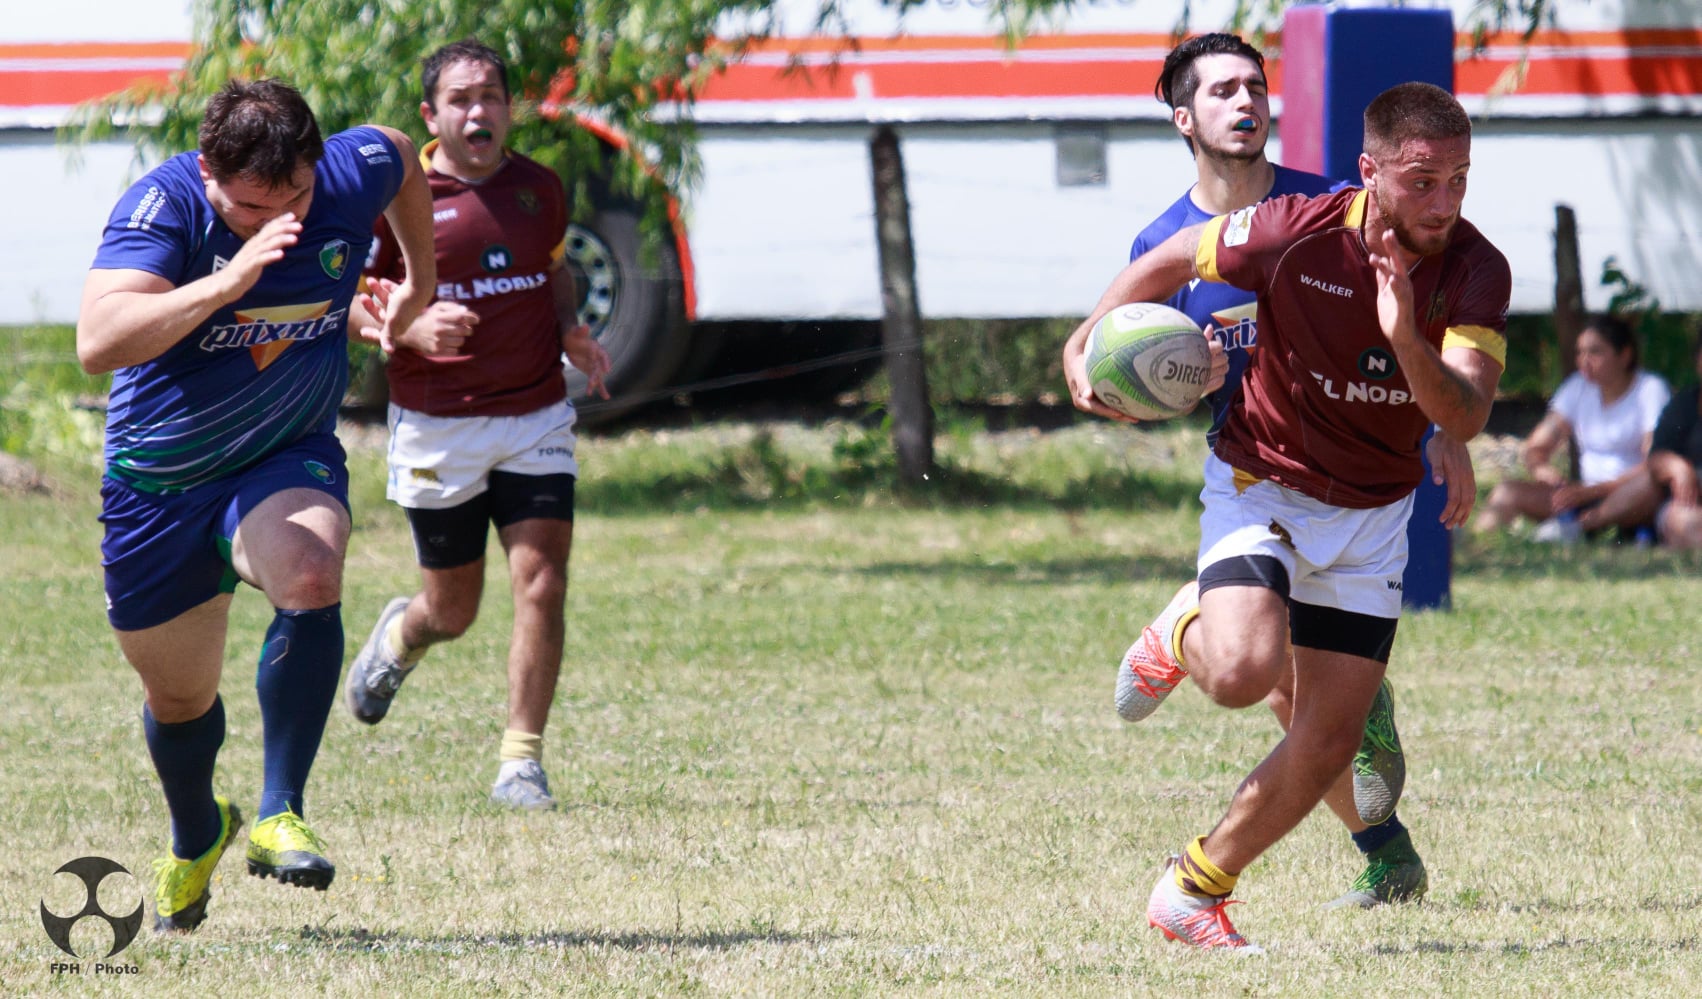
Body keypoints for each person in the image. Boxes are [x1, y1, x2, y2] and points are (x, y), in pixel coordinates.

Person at [1063, 81, 1511, 951]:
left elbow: (1464, 413)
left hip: (1374, 514)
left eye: (1460, 179)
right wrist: (1086, 336)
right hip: (1261, 482)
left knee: (1329, 738)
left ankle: (1192, 891)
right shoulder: (1294, 229)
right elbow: (1171, 260)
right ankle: (1185, 624)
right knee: (1239, 675)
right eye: (1423, 181)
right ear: (1369, 173)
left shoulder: (1476, 269)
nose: (1445, 202)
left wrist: (1406, 335)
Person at [77, 78, 436, 932]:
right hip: (160, 484)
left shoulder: (351, 173)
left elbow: (403, 158)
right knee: (179, 700)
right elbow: (97, 342)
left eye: (297, 199)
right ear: (208, 172)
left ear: (317, 168)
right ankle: (199, 830)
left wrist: (415, 282)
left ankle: (281, 810)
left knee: (311, 569)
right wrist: (226, 280)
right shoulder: (163, 208)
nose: (274, 221)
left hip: (283, 454)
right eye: (246, 207)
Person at [1126, 32, 1461, 912]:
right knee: (1266, 678)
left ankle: (1386, 853)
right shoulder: (1163, 241)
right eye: (1223, 91)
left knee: (1312, 704)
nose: (1246, 102)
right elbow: (1127, 376)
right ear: (1183, 119)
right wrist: (1145, 378)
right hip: (1259, 481)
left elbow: (1413, 326)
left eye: (1256, 86)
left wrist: (1451, 432)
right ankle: (1384, 848)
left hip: (1359, 484)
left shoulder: (1330, 206)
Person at [344, 39, 611, 811]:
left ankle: (521, 762)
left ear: (509, 108)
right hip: (438, 426)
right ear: (431, 116)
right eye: (460, 99)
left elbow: (553, 269)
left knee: (543, 580)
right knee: (452, 611)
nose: (478, 111)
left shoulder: (539, 188)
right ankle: (403, 634)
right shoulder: (404, 197)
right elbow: (351, 301)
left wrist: (570, 332)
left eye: (490, 96)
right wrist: (406, 330)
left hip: (535, 416)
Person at [1475, 314, 1668, 542]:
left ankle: (1575, 529)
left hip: (1631, 494)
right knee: (1508, 492)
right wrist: (1541, 469)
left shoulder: (1650, 390)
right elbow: (1536, 446)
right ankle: (1474, 546)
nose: (1584, 360)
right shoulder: (1577, 388)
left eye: (1595, 352)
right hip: (1581, 495)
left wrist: (1594, 491)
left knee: (1650, 485)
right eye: (1580, 352)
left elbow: (1654, 463)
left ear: (1625, 355)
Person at [1647, 335, 1702, 548]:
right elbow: (1656, 457)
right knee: (1677, 520)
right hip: (1691, 507)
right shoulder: (1684, 404)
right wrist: (1677, 467)